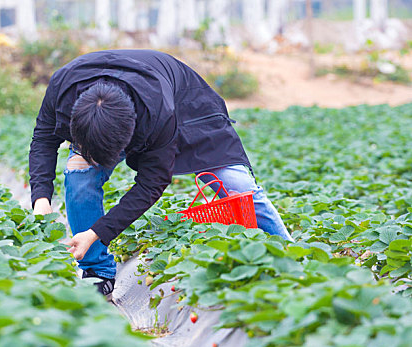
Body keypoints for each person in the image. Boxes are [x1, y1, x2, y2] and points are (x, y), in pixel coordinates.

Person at [29, 50, 293, 298]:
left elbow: (151, 184)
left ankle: (292, 255)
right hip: (108, 108)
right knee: (80, 169)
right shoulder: (63, 90)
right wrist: (41, 198)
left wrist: (97, 231)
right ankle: (96, 270)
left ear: (128, 138)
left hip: (184, 103)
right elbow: (43, 139)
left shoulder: (157, 113)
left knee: (236, 183)